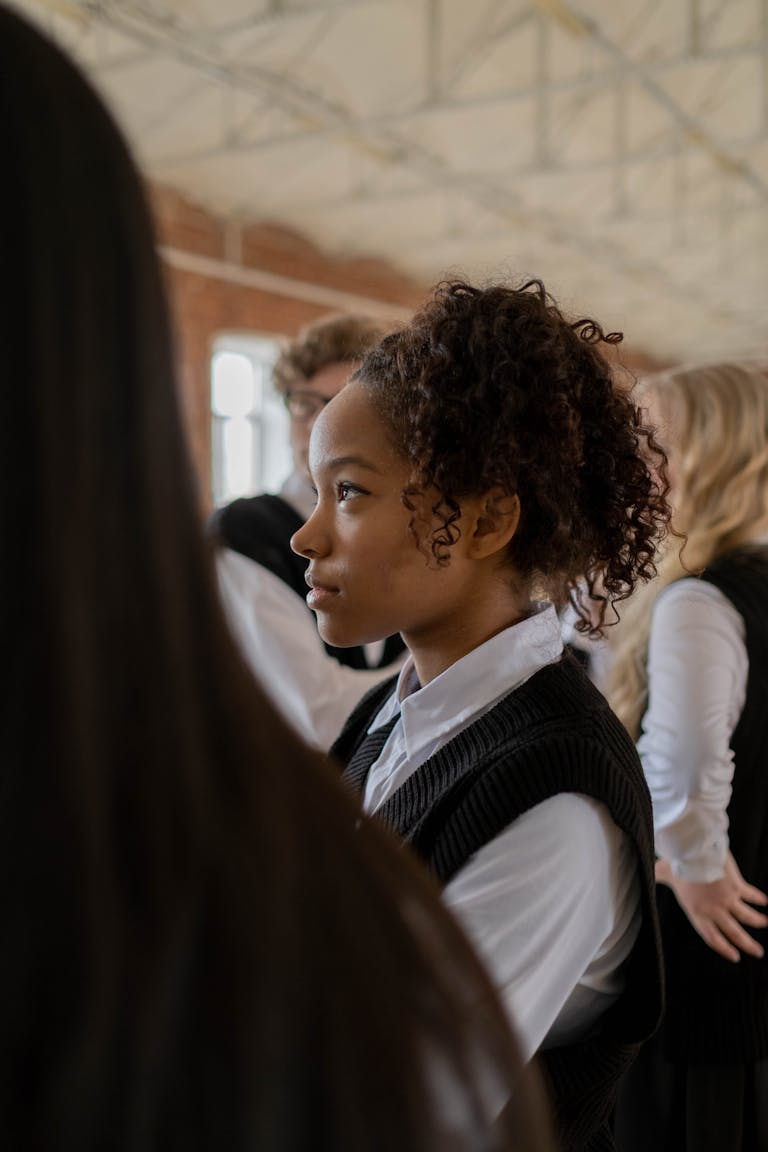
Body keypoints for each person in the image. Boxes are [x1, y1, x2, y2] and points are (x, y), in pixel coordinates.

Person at [0, 8, 556, 1149]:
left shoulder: (298, 907)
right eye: (333, 469)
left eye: (364, 483)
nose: (312, 533)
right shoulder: (256, 565)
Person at [291, 278, 671, 1151]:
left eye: (349, 493)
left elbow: (399, 1108)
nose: (307, 537)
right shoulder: (393, 720)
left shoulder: (557, 803)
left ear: (489, 518)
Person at [608, 363, 768, 1152]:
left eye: (654, 444)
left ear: (716, 454)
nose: (637, 463)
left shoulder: (703, 600)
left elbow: (685, 762)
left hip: (710, 945)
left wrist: (693, 866)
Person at [212, 314, 405, 749]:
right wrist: (429, 680)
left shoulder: (392, 526)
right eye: (304, 404)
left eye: (338, 403)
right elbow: (320, 713)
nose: (319, 424)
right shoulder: (246, 533)